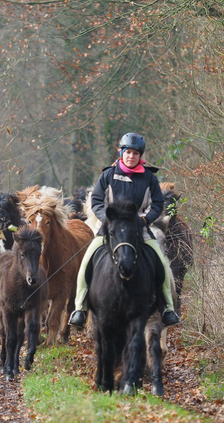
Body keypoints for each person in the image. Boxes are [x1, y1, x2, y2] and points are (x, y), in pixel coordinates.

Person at [68, 132, 181, 329]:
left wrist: (145, 219)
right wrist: (108, 219)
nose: (131, 156)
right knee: (87, 261)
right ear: (121, 153)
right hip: (111, 230)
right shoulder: (108, 175)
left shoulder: (149, 178)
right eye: (128, 152)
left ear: (140, 156)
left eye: (135, 153)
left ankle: (168, 308)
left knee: (161, 262)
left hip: (140, 230)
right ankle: (80, 308)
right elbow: (96, 201)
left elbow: (157, 204)